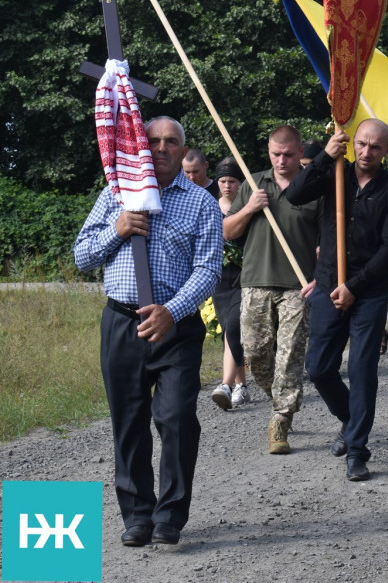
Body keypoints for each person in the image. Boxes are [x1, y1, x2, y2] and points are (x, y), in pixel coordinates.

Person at [74, 116, 223, 547]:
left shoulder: (201, 203)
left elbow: (208, 270)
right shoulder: (115, 194)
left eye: (170, 141)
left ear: (183, 149)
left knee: (175, 416)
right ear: (142, 144)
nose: (160, 147)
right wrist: (117, 229)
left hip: (175, 327)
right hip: (121, 322)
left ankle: (170, 515)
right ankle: (138, 514)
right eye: (153, 140)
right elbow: (82, 256)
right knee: (129, 420)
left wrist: (172, 311)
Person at [285, 119, 388, 480]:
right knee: (319, 368)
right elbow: (294, 195)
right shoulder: (334, 174)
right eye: (361, 144)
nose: (366, 152)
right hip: (327, 284)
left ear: (387, 150)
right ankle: (349, 418)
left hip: (368, 292)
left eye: (375, 147)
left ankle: (357, 450)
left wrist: (354, 286)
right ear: (352, 143)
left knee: (361, 370)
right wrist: (325, 156)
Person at [222, 125, 321, 454]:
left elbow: (329, 239)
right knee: (255, 356)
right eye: (276, 154)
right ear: (269, 152)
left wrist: (322, 273)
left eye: (289, 155)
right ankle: (280, 397)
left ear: (299, 152)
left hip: (298, 286)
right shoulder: (253, 183)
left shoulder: (313, 187)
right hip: (255, 282)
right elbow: (226, 231)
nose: (282, 160)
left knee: (290, 356)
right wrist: (249, 208)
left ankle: (280, 420)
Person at [210, 157, 248, 410]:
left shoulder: (248, 205)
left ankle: (226, 384)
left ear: (240, 183)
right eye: (223, 181)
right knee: (228, 329)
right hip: (219, 276)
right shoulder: (210, 206)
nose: (226, 186)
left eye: (232, 181)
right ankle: (240, 385)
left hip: (244, 274)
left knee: (234, 326)